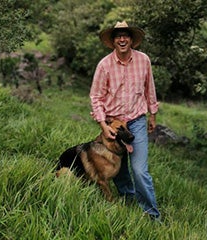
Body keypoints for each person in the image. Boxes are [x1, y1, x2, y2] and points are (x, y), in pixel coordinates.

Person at [89, 21, 161, 220]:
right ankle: (128, 201)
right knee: (118, 169)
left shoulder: (143, 60)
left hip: (136, 120)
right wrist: (103, 125)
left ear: (131, 40)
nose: (122, 39)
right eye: (118, 36)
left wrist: (152, 114)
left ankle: (152, 215)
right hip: (112, 122)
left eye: (125, 35)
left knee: (139, 169)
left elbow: (150, 88)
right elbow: (96, 97)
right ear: (113, 41)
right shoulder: (104, 65)